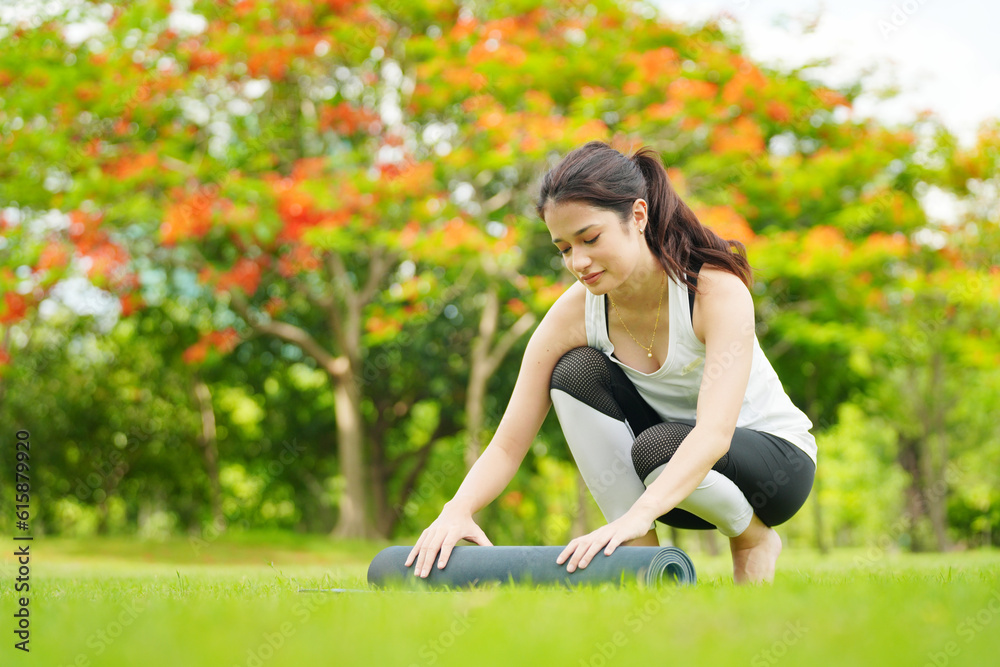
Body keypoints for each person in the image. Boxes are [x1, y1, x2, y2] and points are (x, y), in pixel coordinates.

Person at [405, 141, 816, 584]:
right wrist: (456, 510)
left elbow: (713, 434)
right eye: (563, 248)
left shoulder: (713, 291)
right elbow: (508, 444)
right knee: (573, 372)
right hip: (669, 483)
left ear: (637, 216)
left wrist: (639, 513)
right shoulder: (572, 314)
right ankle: (641, 562)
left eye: (590, 238)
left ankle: (753, 538)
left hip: (771, 469)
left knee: (659, 444)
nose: (578, 262)